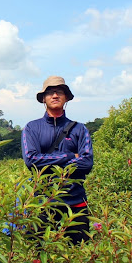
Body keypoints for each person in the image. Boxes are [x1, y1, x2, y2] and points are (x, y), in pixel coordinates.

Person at [22, 76, 94, 244]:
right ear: (44, 99)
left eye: (59, 92)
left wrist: (47, 160)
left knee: (78, 258)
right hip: (43, 204)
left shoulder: (79, 129)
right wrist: (69, 156)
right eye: (50, 92)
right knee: (37, 259)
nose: (55, 95)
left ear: (66, 97)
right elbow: (31, 160)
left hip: (75, 205)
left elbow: (87, 163)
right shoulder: (32, 128)